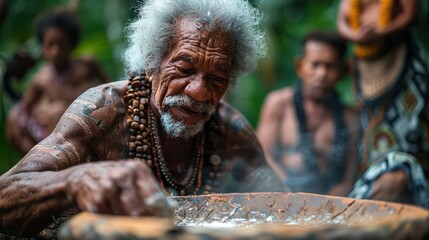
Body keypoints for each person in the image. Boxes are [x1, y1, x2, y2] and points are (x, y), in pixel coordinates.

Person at [0, 0, 282, 237]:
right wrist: (74, 181)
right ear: (151, 63)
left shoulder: (229, 129)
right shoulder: (103, 111)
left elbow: (283, 207)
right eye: (184, 69)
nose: (199, 92)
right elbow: (5, 197)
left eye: (217, 78)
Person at [337, 0, 429, 208]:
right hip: (367, 64)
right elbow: (343, 23)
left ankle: (408, 179)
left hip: (402, 60)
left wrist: (383, 30)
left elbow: (410, 14)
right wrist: (358, 36)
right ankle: (377, 185)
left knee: (411, 123)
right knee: (372, 126)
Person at [257, 31, 360, 196]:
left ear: (342, 72)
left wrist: (327, 207)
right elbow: (262, 157)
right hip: (281, 196)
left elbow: (348, 179)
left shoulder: (351, 118)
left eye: (330, 66)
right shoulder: (278, 104)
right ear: (300, 66)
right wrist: (289, 192)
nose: (322, 74)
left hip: (331, 205)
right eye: (315, 65)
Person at [5, 8, 111, 155]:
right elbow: (24, 109)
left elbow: (110, 89)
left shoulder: (86, 65)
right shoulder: (41, 79)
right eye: (50, 45)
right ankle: (39, 159)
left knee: (58, 111)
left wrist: (80, 95)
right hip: (50, 137)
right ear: (43, 47)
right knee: (23, 116)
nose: (56, 51)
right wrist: (39, 114)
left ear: (71, 43)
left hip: (86, 128)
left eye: (61, 44)